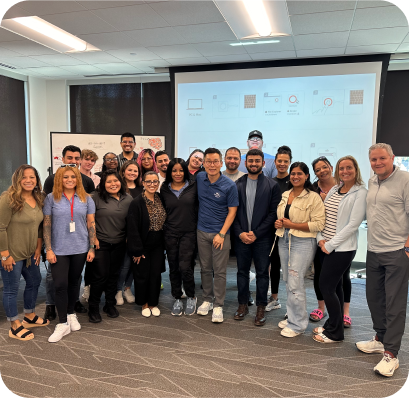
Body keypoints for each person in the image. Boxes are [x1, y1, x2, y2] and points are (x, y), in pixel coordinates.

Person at [356, 143, 409, 377]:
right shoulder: (372, 181)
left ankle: (392, 354)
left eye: (382, 159)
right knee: (374, 299)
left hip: (397, 251)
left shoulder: (405, 180)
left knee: (394, 304)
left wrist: (407, 247)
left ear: (392, 158)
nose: (377, 163)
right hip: (374, 250)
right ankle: (380, 338)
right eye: (373, 160)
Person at [312, 156, 367, 344]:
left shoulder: (361, 193)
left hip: (342, 248)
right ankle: (333, 324)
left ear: (356, 169)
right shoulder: (335, 189)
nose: (345, 171)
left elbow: (353, 225)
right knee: (335, 287)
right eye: (341, 168)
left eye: (349, 168)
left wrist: (330, 244)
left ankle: (335, 333)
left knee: (325, 286)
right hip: (324, 245)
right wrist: (320, 239)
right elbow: (323, 216)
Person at [43, 165, 96, 343]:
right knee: (60, 284)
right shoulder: (51, 198)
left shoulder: (87, 199)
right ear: (59, 179)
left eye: (73, 177)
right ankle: (62, 322)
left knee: (74, 282)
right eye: (65, 177)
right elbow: (47, 224)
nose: (70, 180)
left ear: (77, 179)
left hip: (80, 248)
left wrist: (91, 247)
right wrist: (48, 249)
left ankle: (71, 313)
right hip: (58, 249)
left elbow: (91, 224)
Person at [275, 162, 325, 338]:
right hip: (283, 239)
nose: (295, 176)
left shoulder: (313, 197)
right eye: (293, 173)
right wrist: (279, 222)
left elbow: (318, 224)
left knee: (296, 282)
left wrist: (292, 225)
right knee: (289, 280)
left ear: (306, 176)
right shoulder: (285, 194)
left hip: (302, 242)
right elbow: (282, 216)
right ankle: (292, 317)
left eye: (299, 174)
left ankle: (298, 324)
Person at [233, 149, 281, 326]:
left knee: (262, 273)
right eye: (250, 161)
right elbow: (233, 213)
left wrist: (256, 233)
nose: (253, 163)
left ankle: (261, 306)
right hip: (242, 237)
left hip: (262, 238)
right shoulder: (237, 185)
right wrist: (240, 233)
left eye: (257, 161)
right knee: (241, 272)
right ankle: (242, 304)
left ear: (263, 163)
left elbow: (273, 213)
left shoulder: (272, 185)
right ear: (245, 163)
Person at [0, 165, 48, 341]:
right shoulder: (8, 198)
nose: (28, 180)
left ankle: (29, 315)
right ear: (17, 179)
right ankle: (14, 325)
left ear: (37, 180)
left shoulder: (39, 197)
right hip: (11, 254)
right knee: (11, 289)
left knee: (35, 281)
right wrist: (4, 254)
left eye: (32, 177)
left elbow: (39, 227)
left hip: (29, 253)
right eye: (24, 177)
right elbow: (0, 227)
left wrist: (37, 248)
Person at [196, 148, 239, 323]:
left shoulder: (230, 185)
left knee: (220, 271)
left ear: (221, 163)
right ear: (204, 163)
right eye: (208, 161)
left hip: (221, 234)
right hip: (201, 232)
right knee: (205, 268)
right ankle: (207, 299)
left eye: (215, 161)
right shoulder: (200, 178)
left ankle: (219, 304)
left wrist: (221, 234)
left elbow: (232, 212)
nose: (212, 165)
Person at [87, 170, 133, 323]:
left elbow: (130, 221)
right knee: (100, 276)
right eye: (109, 182)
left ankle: (109, 304)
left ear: (121, 182)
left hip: (119, 243)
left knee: (114, 275)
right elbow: (90, 220)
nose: (113, 184)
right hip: (101, 243)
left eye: (116, 181)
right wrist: (93, 240)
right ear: (103, 184)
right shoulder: (95, 197)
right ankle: (93, 307)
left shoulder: (128, 198)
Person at [160, 158, 198, 316]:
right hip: (170, 233)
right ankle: (177, 296)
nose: (177, 173)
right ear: (169, 172)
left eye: (181, 170)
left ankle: (191, 296)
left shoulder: (194, 186)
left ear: (186, 171)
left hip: (189, 233)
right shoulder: (164, 188)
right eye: (174, 170)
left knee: (185, 267)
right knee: (174, 267)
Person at [127, 171, 166, 317]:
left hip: (158, 243)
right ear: (143, 183)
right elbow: (132, 228)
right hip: (142, 243)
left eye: (155, 181)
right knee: (142, 274)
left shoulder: (160, 198)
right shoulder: (136, 202)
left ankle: (153, 303)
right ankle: (143, 304)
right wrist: (136, 250)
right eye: (148, 181)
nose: (152, 184)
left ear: (158, 183)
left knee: (155, 274)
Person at [222, 147, 253, 305]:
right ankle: (216, 294)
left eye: (235, 158)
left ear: (240, 161)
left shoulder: (246, 178)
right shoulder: (218, 177)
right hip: (222, 228)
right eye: (229, 158)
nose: (232, 161)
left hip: (241, 227)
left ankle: (245, 294)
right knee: (219, 266)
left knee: (243, 266)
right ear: (224, 159)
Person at [309, 157, 338, 323]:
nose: (322, 171)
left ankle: (344, 312)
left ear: (331, 167)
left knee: (342, 277)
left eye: (324, 167)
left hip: (340, 239)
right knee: (319, 274)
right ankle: (321, 308)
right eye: (318, 170)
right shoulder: (313, 190)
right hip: (319, 238)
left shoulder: (343, 186)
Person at [266, 145, 292, 312]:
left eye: (286, 161)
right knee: (274, 265)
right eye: (279, 161)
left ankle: (293, 302)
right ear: (275, 162)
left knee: (292, 268)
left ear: (290, 162)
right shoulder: (270, 183)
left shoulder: (295, 181)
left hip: (293, 231)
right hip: (274, 231)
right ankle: (274, 298)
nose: (282, 164)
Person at [115, 161, 143, 305]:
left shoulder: (141, 188)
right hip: (122, 231)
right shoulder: (118, 187)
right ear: (123, 171)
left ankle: (127, 288)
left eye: (135, 171)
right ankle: (118, 290)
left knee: (135, 263)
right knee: (125, 264)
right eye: (129, 170)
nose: (132, 173)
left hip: (137, 232)